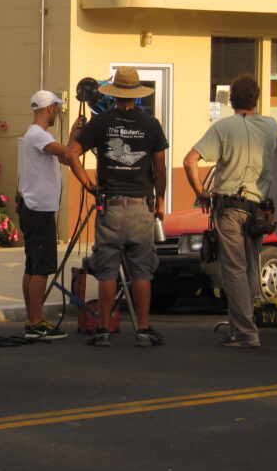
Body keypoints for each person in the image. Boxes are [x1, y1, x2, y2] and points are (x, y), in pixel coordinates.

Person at [65, 67, 168, 348]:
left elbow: (72, 153)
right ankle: (143, 329)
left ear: (114, 93)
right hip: (140, 207)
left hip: (111, 205)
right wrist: (159, 201)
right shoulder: (151, 124)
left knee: (107, 267)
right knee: (142, 271)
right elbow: (159, 168)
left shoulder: (101, 122)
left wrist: (87, 183)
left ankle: (103, 329)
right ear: (135, 94)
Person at [184, 74, 277, 349]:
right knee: (250, 266)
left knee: (234, 269)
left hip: (230, 206)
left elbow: (189, 161)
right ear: (256, 99)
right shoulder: (271, 126)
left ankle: (246, 332)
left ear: (232, 99)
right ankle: (243, 324)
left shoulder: (222, 128)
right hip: (258, 208)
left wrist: (201, 191)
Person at [17, 90, 71, 341]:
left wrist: (74, 139)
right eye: (56, 108)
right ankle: (36, 323)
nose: (57, 113)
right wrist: (74, 144)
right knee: (41, 267)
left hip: (33, 206)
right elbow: (68, 154)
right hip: (38, 208)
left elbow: (65, 156)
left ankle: (32, 320)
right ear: (49, 108)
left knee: (32, 265)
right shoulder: (39, 135)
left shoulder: (34, 135)